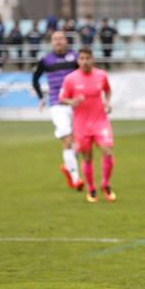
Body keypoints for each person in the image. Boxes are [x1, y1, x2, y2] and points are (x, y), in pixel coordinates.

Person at [58, 48, 116, 203]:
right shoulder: (70, 79)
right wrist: (72, 101)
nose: (84, 61)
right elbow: (61, 98)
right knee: (87, 157)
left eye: (87, 58)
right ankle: (91, 188)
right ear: (78, 61)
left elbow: (108, 91)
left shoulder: (101, 75)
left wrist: (107, 102)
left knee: (107, 152)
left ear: (93, 59)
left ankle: (106, 184)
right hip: (81, 124)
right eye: (81, 58)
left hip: (100, 121)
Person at [32, 30, 82, 191]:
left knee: (80, 143)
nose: (58, 41)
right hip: (57, 104)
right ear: (51, 42)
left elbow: (84, 76)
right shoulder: (46, 60)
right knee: (67, 139)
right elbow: (35, 78)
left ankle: (68, 167)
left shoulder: (75, 57)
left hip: (75, 104)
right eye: (55, 39)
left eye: (61, 39)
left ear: (66, 41)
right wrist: (41, 97)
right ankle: (76, 178)